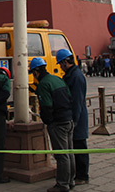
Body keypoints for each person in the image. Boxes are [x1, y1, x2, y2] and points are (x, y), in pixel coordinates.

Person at [30, 57, 75, 192]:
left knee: (61, 155)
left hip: (58, 122)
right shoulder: (57, 79)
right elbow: (69, 96)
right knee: (70, 152)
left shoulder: (44, 84)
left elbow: (47, 106)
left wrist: (48, 120)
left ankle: (62, 184)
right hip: (68, 119)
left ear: (36, 72)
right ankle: (71, 180)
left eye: (33, 73)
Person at [57, 49, 89, 186]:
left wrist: (74, 120)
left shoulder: (76, 77)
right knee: (74, 146)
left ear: (65, 62)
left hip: (78, 116)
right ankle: (76, 174)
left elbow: (77, 100)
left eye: (60, 64)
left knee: (79, 146)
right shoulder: (70, 75)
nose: (60, 66)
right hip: (73, 116)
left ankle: (83, 175)